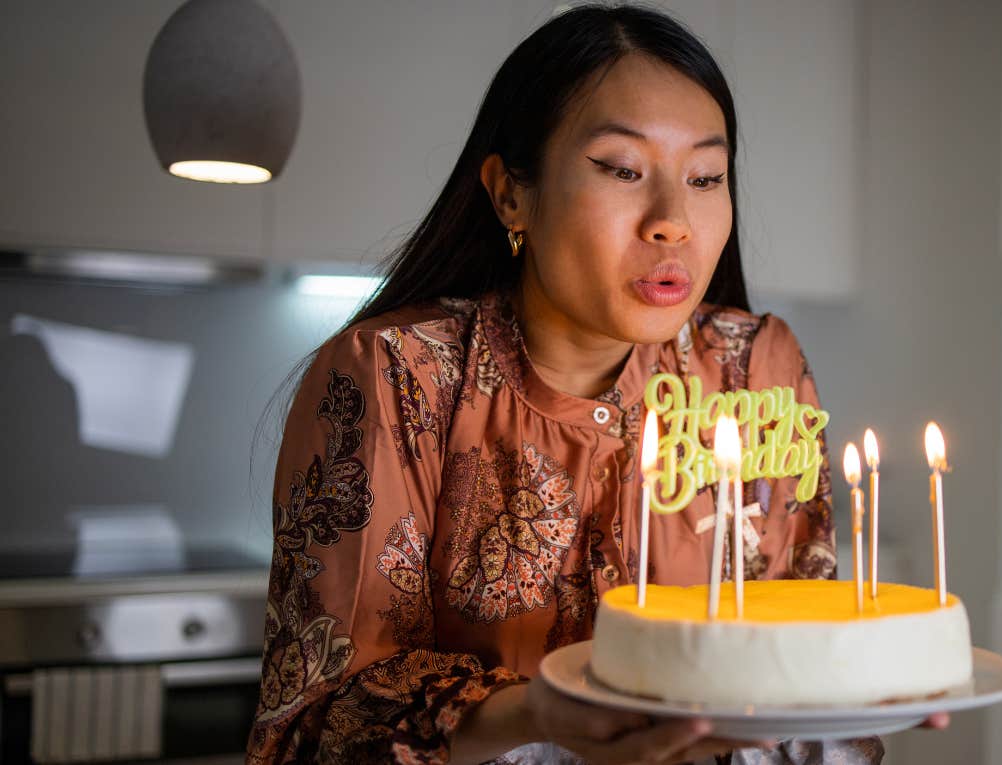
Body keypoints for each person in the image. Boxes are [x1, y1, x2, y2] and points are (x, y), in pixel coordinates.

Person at [247, 5, 946, 763]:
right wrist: (531, 713)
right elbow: (318, 724)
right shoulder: (396, 375)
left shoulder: (754, 368)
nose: (673, 220)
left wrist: (858, 692)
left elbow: (798, 642)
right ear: (512, 192)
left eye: (706, 177)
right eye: (621, 169)